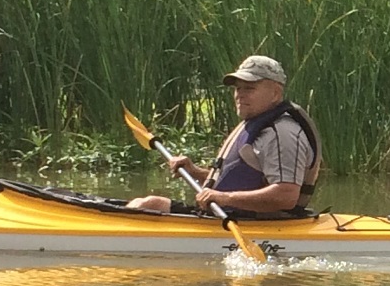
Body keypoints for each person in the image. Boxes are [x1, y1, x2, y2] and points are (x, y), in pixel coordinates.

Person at [127, 55, 321, 218]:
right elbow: (243, 181)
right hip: (230, 215)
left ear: (275, 93)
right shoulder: (259, 123)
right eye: (238, 88)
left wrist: (224, 198)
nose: (240, 95)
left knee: (149, 205)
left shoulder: (282, 134)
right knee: (145, 203)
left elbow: (285, 196)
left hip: (259, 224)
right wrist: (196, 172)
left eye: (250, 88)